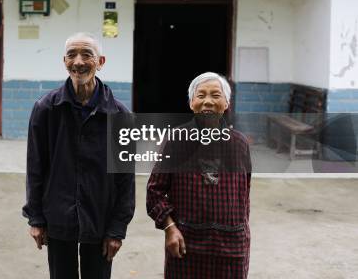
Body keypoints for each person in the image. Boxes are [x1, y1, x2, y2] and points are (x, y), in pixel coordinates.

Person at [22, 32, 135, 279]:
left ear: (101, 61)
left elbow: (125, 178)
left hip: (100, 218)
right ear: (64, 62)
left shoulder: (120, 115)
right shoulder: (46, 109)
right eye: (71, 55)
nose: (79, 61)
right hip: (58, 217)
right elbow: (35, 167)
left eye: (87, 54)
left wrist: (117, 229)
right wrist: (36, 217)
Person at [146, 72, 251, 279]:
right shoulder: (176, 140)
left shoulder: (239, 144)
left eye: (215, 95)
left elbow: (243, 197)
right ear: (191, 103)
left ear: (227, 103)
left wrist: (241, 236)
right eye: (201, 95)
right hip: (186, 244)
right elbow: (154, 192)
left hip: (231, 248)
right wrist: (169, 228)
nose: (208, 102)